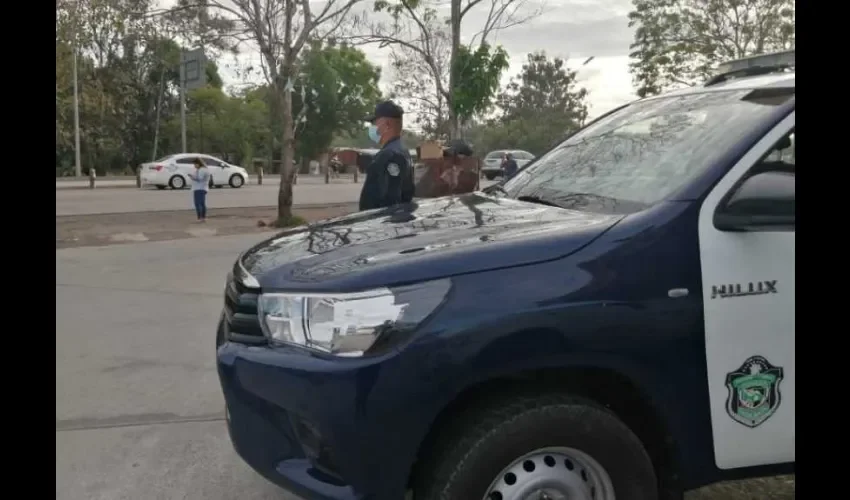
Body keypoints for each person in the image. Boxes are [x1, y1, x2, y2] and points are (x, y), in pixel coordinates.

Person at [359, 101, 414, 210]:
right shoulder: (403, 151)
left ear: (387, 125)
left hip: (380, 224)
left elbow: (390, 200)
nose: (372, 128)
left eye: (374, 123)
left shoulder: (390, 155)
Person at [187, 157, 210, 222]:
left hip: (199, 188)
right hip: (203, 188)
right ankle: (203, 217)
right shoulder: (205, 169)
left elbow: (199, 179)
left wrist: (192, 177)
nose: (194, 165)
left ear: (198, 163)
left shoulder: (201, 170)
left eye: (195, 164)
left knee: (197, 203)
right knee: (202, 203)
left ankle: (200, 218)